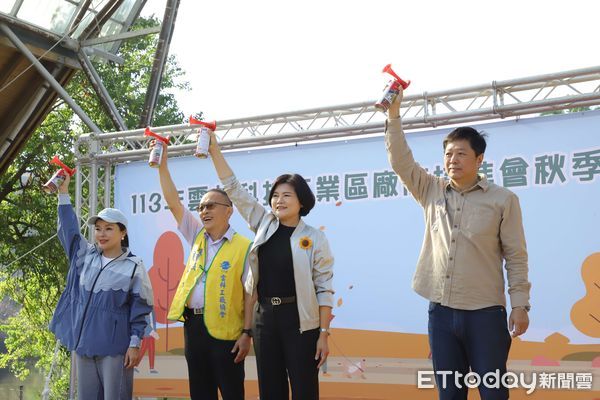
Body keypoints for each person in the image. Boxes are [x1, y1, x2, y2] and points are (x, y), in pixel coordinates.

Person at [385, 88, 531, 400]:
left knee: (493, 393)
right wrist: (394, 115)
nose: (453, 160)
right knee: (450, 394)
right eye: (449, 154)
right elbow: (401, 161)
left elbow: (516, 256)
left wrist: (520, 304)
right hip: (440, 312)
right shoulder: (431, 191)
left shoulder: (503, 200)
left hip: (485, 314)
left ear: (479, 159)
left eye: (462, 153)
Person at [207, 130, 335, 400]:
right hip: (265, 321)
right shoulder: (264, 224)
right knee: (270, 391)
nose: (279, 200)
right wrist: (213, 150)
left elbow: (324, 288)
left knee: (304, 390)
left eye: (287, 195)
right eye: (275, 195)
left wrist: (323, 333)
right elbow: (234, 189)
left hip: (301, 323)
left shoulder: (314, 237)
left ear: (302, 201)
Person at [156, 142, 253, 400]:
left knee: (232, 393)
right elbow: (173, 202)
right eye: (201, 207)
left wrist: (247, 333)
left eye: (211, 206)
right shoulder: (196, 235)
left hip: (227, 333)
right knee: (200, 393)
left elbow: (249, 294)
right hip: (194, 326)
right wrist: (162, 165)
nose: (204, 211)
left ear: (228, 211)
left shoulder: (245, 246)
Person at [49, 173, 154, 400]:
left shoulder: (134, 267)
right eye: (98, 228)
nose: (101, 234)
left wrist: (134, 344)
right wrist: (63, 193)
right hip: (84, 344)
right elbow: (69, 231)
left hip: (115, 348)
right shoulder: (85, 256)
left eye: (108, 228)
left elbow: (141, 310)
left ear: (122, 232)